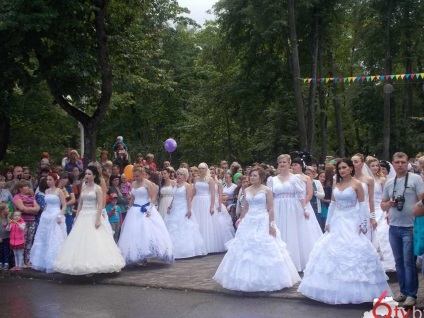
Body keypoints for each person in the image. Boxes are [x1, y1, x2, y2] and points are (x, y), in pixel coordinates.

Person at [298, 158, 391, 304]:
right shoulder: (337, 183)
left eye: (344, 168)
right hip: (337, 220)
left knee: (353, 250)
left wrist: (363, 223)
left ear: (350, 169)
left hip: (351, 220)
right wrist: (328, 222)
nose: (342, 170)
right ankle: (330, 287)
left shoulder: (357, 184)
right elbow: (333, 204)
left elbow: (361, 206)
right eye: (340, 168)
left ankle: (357, 288)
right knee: (330, 250)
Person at [214, 167, 301, 292]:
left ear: (261, 177)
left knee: (264, 249)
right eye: (251, 175)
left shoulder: (267, 190)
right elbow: (245, 208)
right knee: (244, 251)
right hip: (249, 221)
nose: (252, 177)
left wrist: (271, 225)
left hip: (262, 220)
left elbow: (271, 208)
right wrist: (241, 220)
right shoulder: (247, 189)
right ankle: (244, 278)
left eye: (255, 175)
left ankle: (268, 279)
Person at [54, 166, 125, 275]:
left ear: (94, 176)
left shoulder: (97, 188)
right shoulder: (83, 186)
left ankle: (95, 265)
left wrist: (97, 219)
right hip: (83, 215)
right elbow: (80, 203)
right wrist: (77, 216)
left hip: (93, 214)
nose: (86, 176)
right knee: (80, 240)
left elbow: (100, 204)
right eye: (86, 174)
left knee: (94, 239)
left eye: (89, 174)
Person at [381, 152, 424, 307]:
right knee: (398, 262)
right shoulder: (389, 182)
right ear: (393, 163)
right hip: (394, 227)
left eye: (403, 162)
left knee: (409, 262)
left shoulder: (415, 179)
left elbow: (422, 200)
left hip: (410, 227)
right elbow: (383, 204)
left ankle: (411, 294)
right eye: (397, 162)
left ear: (407, 163)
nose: (400, 164)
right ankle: (403, 291)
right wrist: (389, 204)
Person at [267, 154, 319, 271]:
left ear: (289, 163)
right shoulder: (272, 180)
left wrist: (305, 209)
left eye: (284, 162)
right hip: (278, 207)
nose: (282, 164)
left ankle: (294, 262)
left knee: (293, 233)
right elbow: (270, 197)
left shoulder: (296, 178)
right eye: (280, 162)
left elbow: (301, 195)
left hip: (292, 208)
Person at [118, 166, 174, 265]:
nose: (136, 178)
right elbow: (133, 197)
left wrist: (150, 207)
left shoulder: (148, 183)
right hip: (135, 209)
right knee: (134, 232)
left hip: (145, 208)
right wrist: (129, 205)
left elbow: (153, 196)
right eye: (134, 176)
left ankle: (146, 253)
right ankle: (137, 255)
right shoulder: (133, 183)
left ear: (143, 174)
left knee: (146, 231)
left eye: (138, 176)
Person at [164, 168, 207, 259]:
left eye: (181, 175)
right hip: (175, 208)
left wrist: (189, 209)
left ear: (185, 176)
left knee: (184, 227)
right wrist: (170, 206)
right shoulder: (175, 185)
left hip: (183, 208)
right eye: (178, 174)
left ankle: (185, 250)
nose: (178, 176)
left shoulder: (187, 186)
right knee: (172, 227)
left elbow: (188, 198)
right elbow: (174, 197)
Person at [30, 173, 67, 273]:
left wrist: (60, 215)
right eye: (47, 180)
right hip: (46, 215)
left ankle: (55, 262)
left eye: (50, 179)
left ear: (55, 181)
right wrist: (44, 213)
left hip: (55, 214)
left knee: (54, 238)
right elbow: (46, 204)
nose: (48, 181)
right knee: (43, 237)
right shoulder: (46, 191)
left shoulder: (59, 191)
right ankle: (42, 262)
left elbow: (64, 205)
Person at [191, 163, 228, 253]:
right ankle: (198, 245)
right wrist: (190, 202)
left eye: (203, 168)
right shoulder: (196, 179)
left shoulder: (210, 179)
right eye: (199, 168)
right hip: (197, 201)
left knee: (206, 221)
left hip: (206, 201)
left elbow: (212, 193)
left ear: (206, 169)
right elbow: (194, 191)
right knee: (197, 221)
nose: (201, 170)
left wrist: (212, 206)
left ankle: (208, 244)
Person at [367, 157, 396, 272]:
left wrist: (388, 211)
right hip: (369, 208)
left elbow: (387, 196)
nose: (375, 168)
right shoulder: (365, 180)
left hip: (381, 208)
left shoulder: (382, 179)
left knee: (383, 232)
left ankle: (388, 264)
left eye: (376, 165)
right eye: (372, 166)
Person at [13, 180, 40, 267]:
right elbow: (21, 208)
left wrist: (28, 209)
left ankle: (27, 260)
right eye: (26, 186)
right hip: (22, 222)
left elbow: (38, 208)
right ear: (20, 188)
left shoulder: (31, 197)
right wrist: (32, 210)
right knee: (22, 241)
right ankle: (20, 262)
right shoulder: (17, 197)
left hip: (31, 221)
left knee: (29, 241)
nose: (28, 188)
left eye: (28, 186)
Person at [305, 166, 325, 232]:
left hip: (316, 207)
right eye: (306, 173)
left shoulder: (317, 182)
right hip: (307, 205)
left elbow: (322, 195)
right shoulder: (303, 182)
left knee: (317, 226)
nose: (307, 175)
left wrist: (315, 192)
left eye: (309, 174)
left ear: (313, 174)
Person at [0, 203, 10, 270]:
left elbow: (9, 227)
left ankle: (6, 263)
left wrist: (9, 217)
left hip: (7, 237)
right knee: (1, 251)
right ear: (3, 211)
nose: (9, 210)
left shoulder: (8, 218)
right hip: (1, 238)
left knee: (6, 250)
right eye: (7, 209)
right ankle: (1, 262)